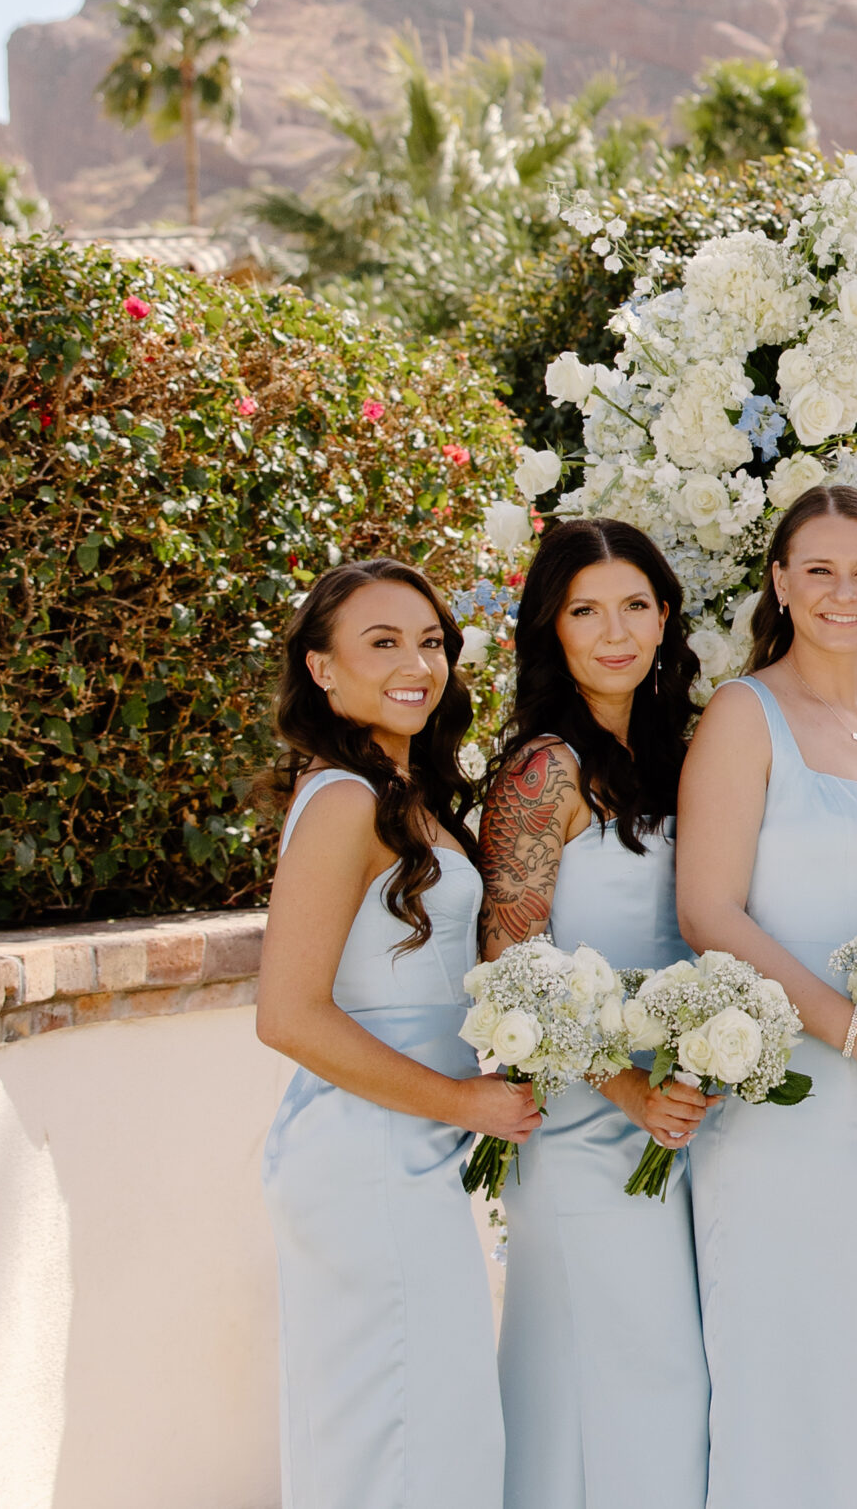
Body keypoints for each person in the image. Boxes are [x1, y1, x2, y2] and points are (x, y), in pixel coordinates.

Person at [674, 485, 857, 1509]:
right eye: (821, 570)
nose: (845, 592)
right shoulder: (743, 715)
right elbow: (711, 911)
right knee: (791, 1370)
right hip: (785, 1104)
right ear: (781, 584)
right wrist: (853, 1034)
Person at [255, 557, 535, 1509]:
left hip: (404, 1146)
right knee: (404, 1440)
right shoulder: (342, 800)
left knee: (427, 1429)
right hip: (367, 1150)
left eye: (430, 641)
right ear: (322, 668)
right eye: (382, 642)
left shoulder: (404, 792)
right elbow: (287, 1014)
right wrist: (462, 1099)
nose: (417, 662)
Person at [476, 519, 711, 1509]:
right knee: (613, 1373)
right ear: (550, 628)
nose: (614, 631)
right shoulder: (544, 771)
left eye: (633, 605)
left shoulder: (678, 755)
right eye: (585, 611)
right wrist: (621, 1086)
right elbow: (510, 967)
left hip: (678, 1110)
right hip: (583, 1120)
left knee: (661, 1380)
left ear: (664, 616)